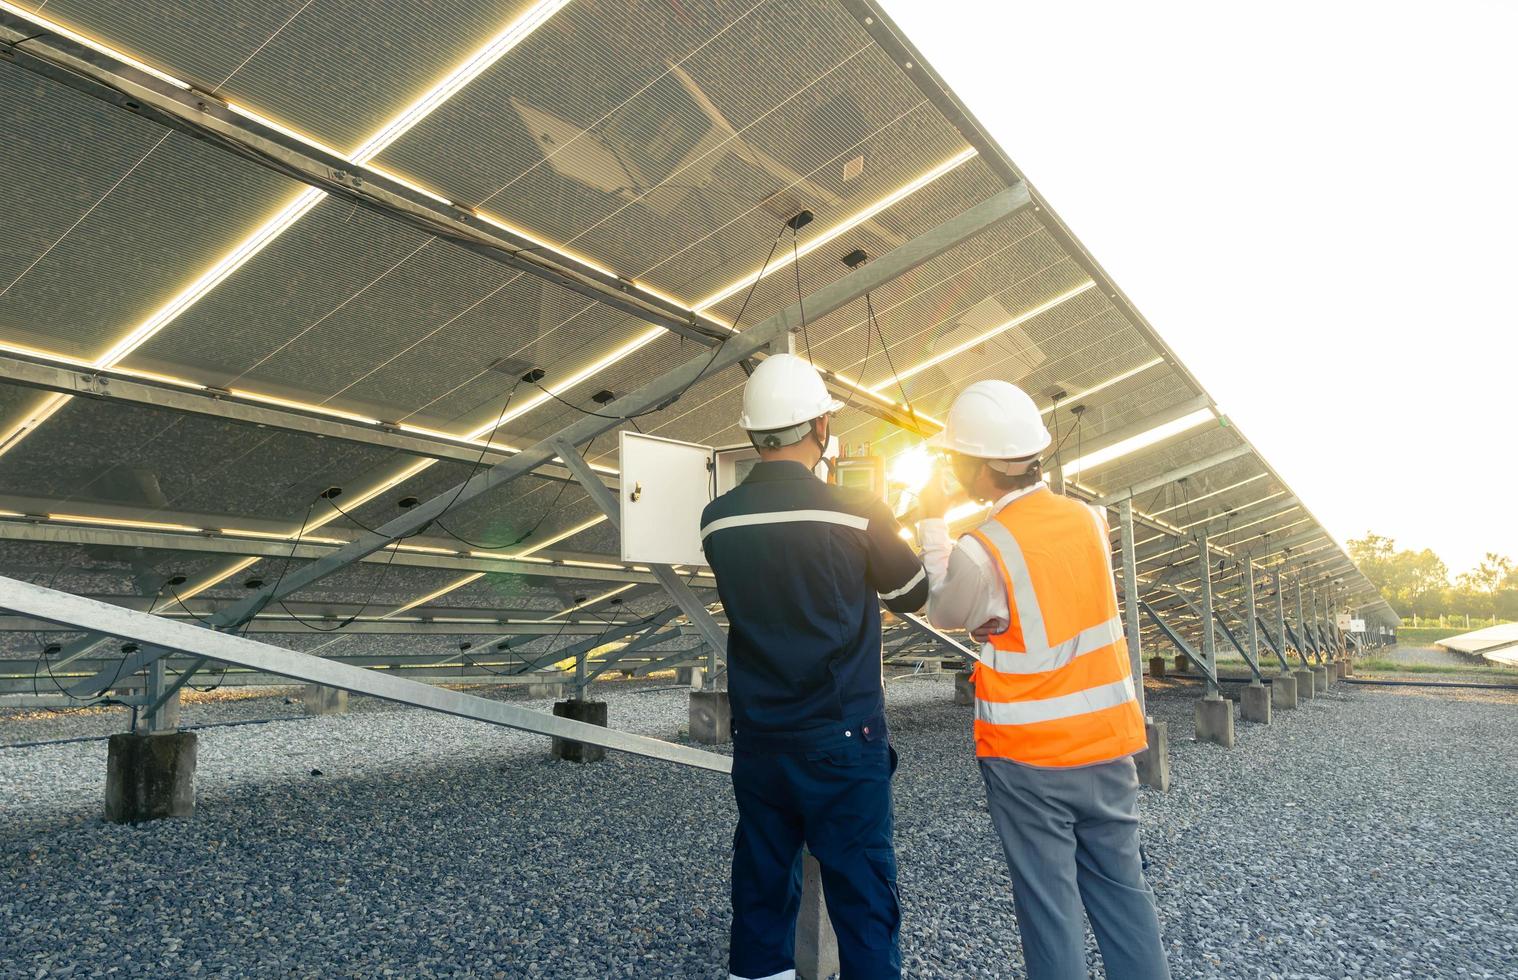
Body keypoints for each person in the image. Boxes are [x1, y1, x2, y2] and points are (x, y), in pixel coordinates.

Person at [916, 379, 1170, 980]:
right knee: (1125, 898)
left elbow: (946, 610)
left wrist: (932, 522)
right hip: (1107, 746)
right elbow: (1050, 603)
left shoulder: (984, 548)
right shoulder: (1089, 520)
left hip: (1030, 759)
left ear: (976, 470)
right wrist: (1000, 617)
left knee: (1050, 911)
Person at [701, 352, 929, 980]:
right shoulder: (856, 511)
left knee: (763, 886)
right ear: (820, 428)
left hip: (762, 741)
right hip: (842, 739)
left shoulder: (716, 521)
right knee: (862, 895)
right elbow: (912, 593)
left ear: (753, 434)